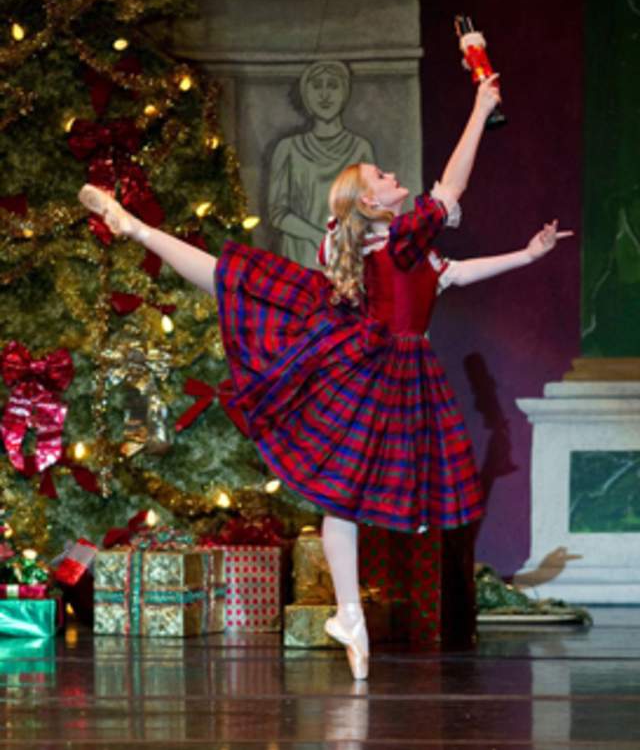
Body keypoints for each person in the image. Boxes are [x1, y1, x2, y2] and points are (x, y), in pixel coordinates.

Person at [78, 74, 572, 680]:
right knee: (237, 279)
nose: (396, 180)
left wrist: (527, 255)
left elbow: (457, 273)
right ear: (372, 203)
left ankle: (349, 614)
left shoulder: (407, 249)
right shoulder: (392, 247)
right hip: (374, 366)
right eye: (384, 179)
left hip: (399, 371)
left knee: (343, 499)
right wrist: (479, 107)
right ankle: (138, 229)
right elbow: (452, 185)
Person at [268, 60, 375, 267]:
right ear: (306, 94)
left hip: (347, 260)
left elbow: (371, 210)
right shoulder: (288, 149)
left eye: (333, 86)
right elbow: (277, 213)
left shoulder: (361, 149)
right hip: (301, 260)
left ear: (345, 92)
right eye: (317, 86)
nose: (324, 95)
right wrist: (318, 237)